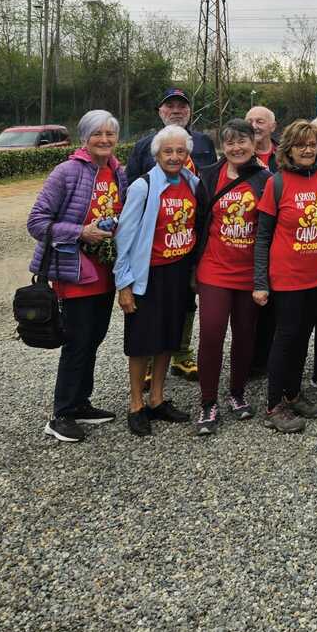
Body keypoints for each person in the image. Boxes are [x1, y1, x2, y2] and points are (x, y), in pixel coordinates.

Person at [27, 110, 128, 443]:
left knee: (94, 339)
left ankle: (81, 402)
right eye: (97, 133)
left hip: (105, 272)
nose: (104, 140)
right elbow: (37, 222)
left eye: (110, 134)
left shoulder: (118, 172)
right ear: (85, 137)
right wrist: (80, 232)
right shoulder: (66, 173)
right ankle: (62, 414)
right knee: (77, 342)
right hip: (74, 272)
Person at [253, 120, 317, 434]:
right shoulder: (276, 183)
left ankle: (293, 393)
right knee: (286, 338)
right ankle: (273, 404)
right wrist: (261, 282)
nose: (307, 150)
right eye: (300, 144)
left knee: (303, 337)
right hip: (287, 277)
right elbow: (263, 236)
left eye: (312, 144)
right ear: (288, 148)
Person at [125, 88, 217, 381]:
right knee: (151, 303)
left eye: (182, 106)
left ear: (189, 112)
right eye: (170, 106)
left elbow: (210, 183)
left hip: (191, 232)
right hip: (155, 240)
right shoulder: (143, 146)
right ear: (160, 111)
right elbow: (131, 188)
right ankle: (151, 358)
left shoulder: (202, 142)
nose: (176, 111)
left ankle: (181, 352)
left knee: (186, 300)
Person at [114, 125, 198, 436]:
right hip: (148, 274)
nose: (175, 157)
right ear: (157, 154)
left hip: (178, 272)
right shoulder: (143, 186)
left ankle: (157, 398)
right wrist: (123, 284)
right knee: (141, 343)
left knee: (169, 339)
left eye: (180, 151)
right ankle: (136, 403)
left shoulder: (191, 182)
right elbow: (125, 237)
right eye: (168, 151)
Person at [193, 119, 271, 436]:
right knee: (211, 333)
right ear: (222, 146)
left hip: (249, 270)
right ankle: (208, 401)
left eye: (242, 141)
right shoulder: (210, 176)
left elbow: (270, 228)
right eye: (229, 142)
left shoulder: (266, 179)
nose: (236, 147)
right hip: (214, 267)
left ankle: (236, 394)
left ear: (254, 143)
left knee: (244, 335)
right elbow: (198, 221)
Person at [245, 104, 279, 170]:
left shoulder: (285, 155)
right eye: (249, 122)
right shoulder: (237, 155)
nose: (253, 126)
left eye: (260, 122)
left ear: (273, 126)